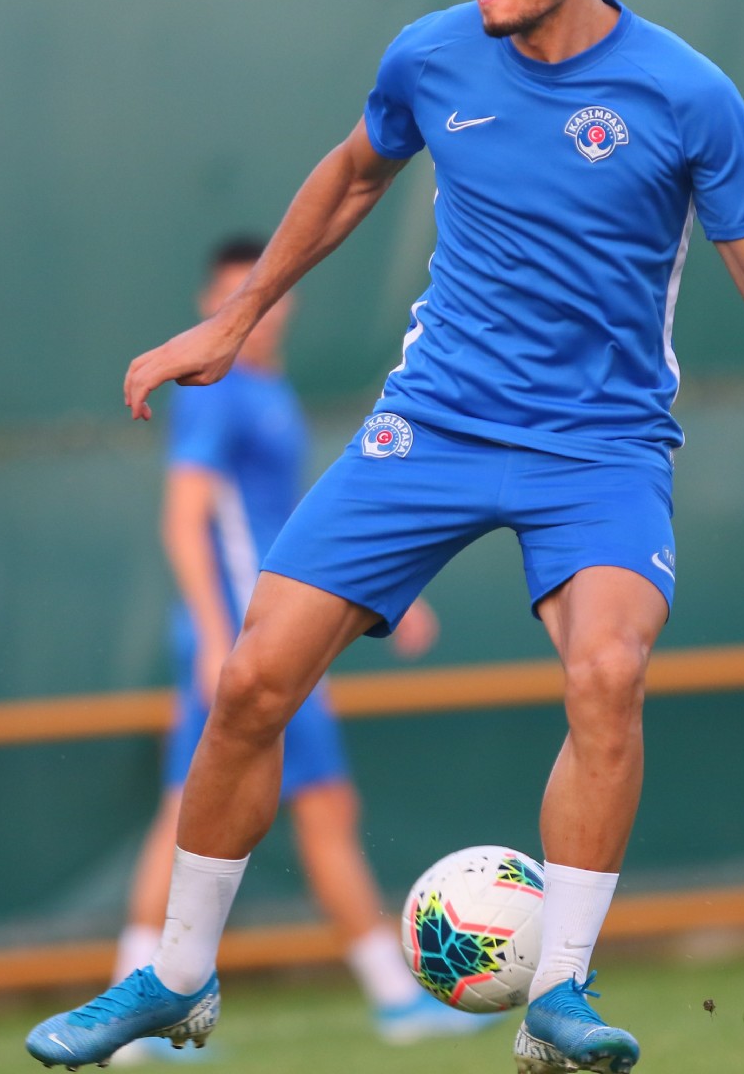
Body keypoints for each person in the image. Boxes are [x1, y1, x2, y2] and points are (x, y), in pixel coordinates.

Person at [30, 0, 744, 1074]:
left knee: (608, 671)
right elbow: (353, 175)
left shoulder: (684, 93)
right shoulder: (431, 57)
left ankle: (559, 996)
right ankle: (178, 978)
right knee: (248, 683)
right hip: (435, 424)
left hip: (600, 446)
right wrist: (233, 318)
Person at [108, 237, 492, 1064]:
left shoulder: (267, 391)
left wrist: (388, 591)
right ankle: (142, 1002)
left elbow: (281, 529)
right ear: (209, 306)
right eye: (230, 296)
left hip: (276, 635)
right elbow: (185, 520)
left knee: (306, 809)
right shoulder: (216, 392)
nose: (253, 311)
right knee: (211, 813)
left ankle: (390, 996)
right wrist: (218, 640)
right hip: (244, 645)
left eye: (263, 292)